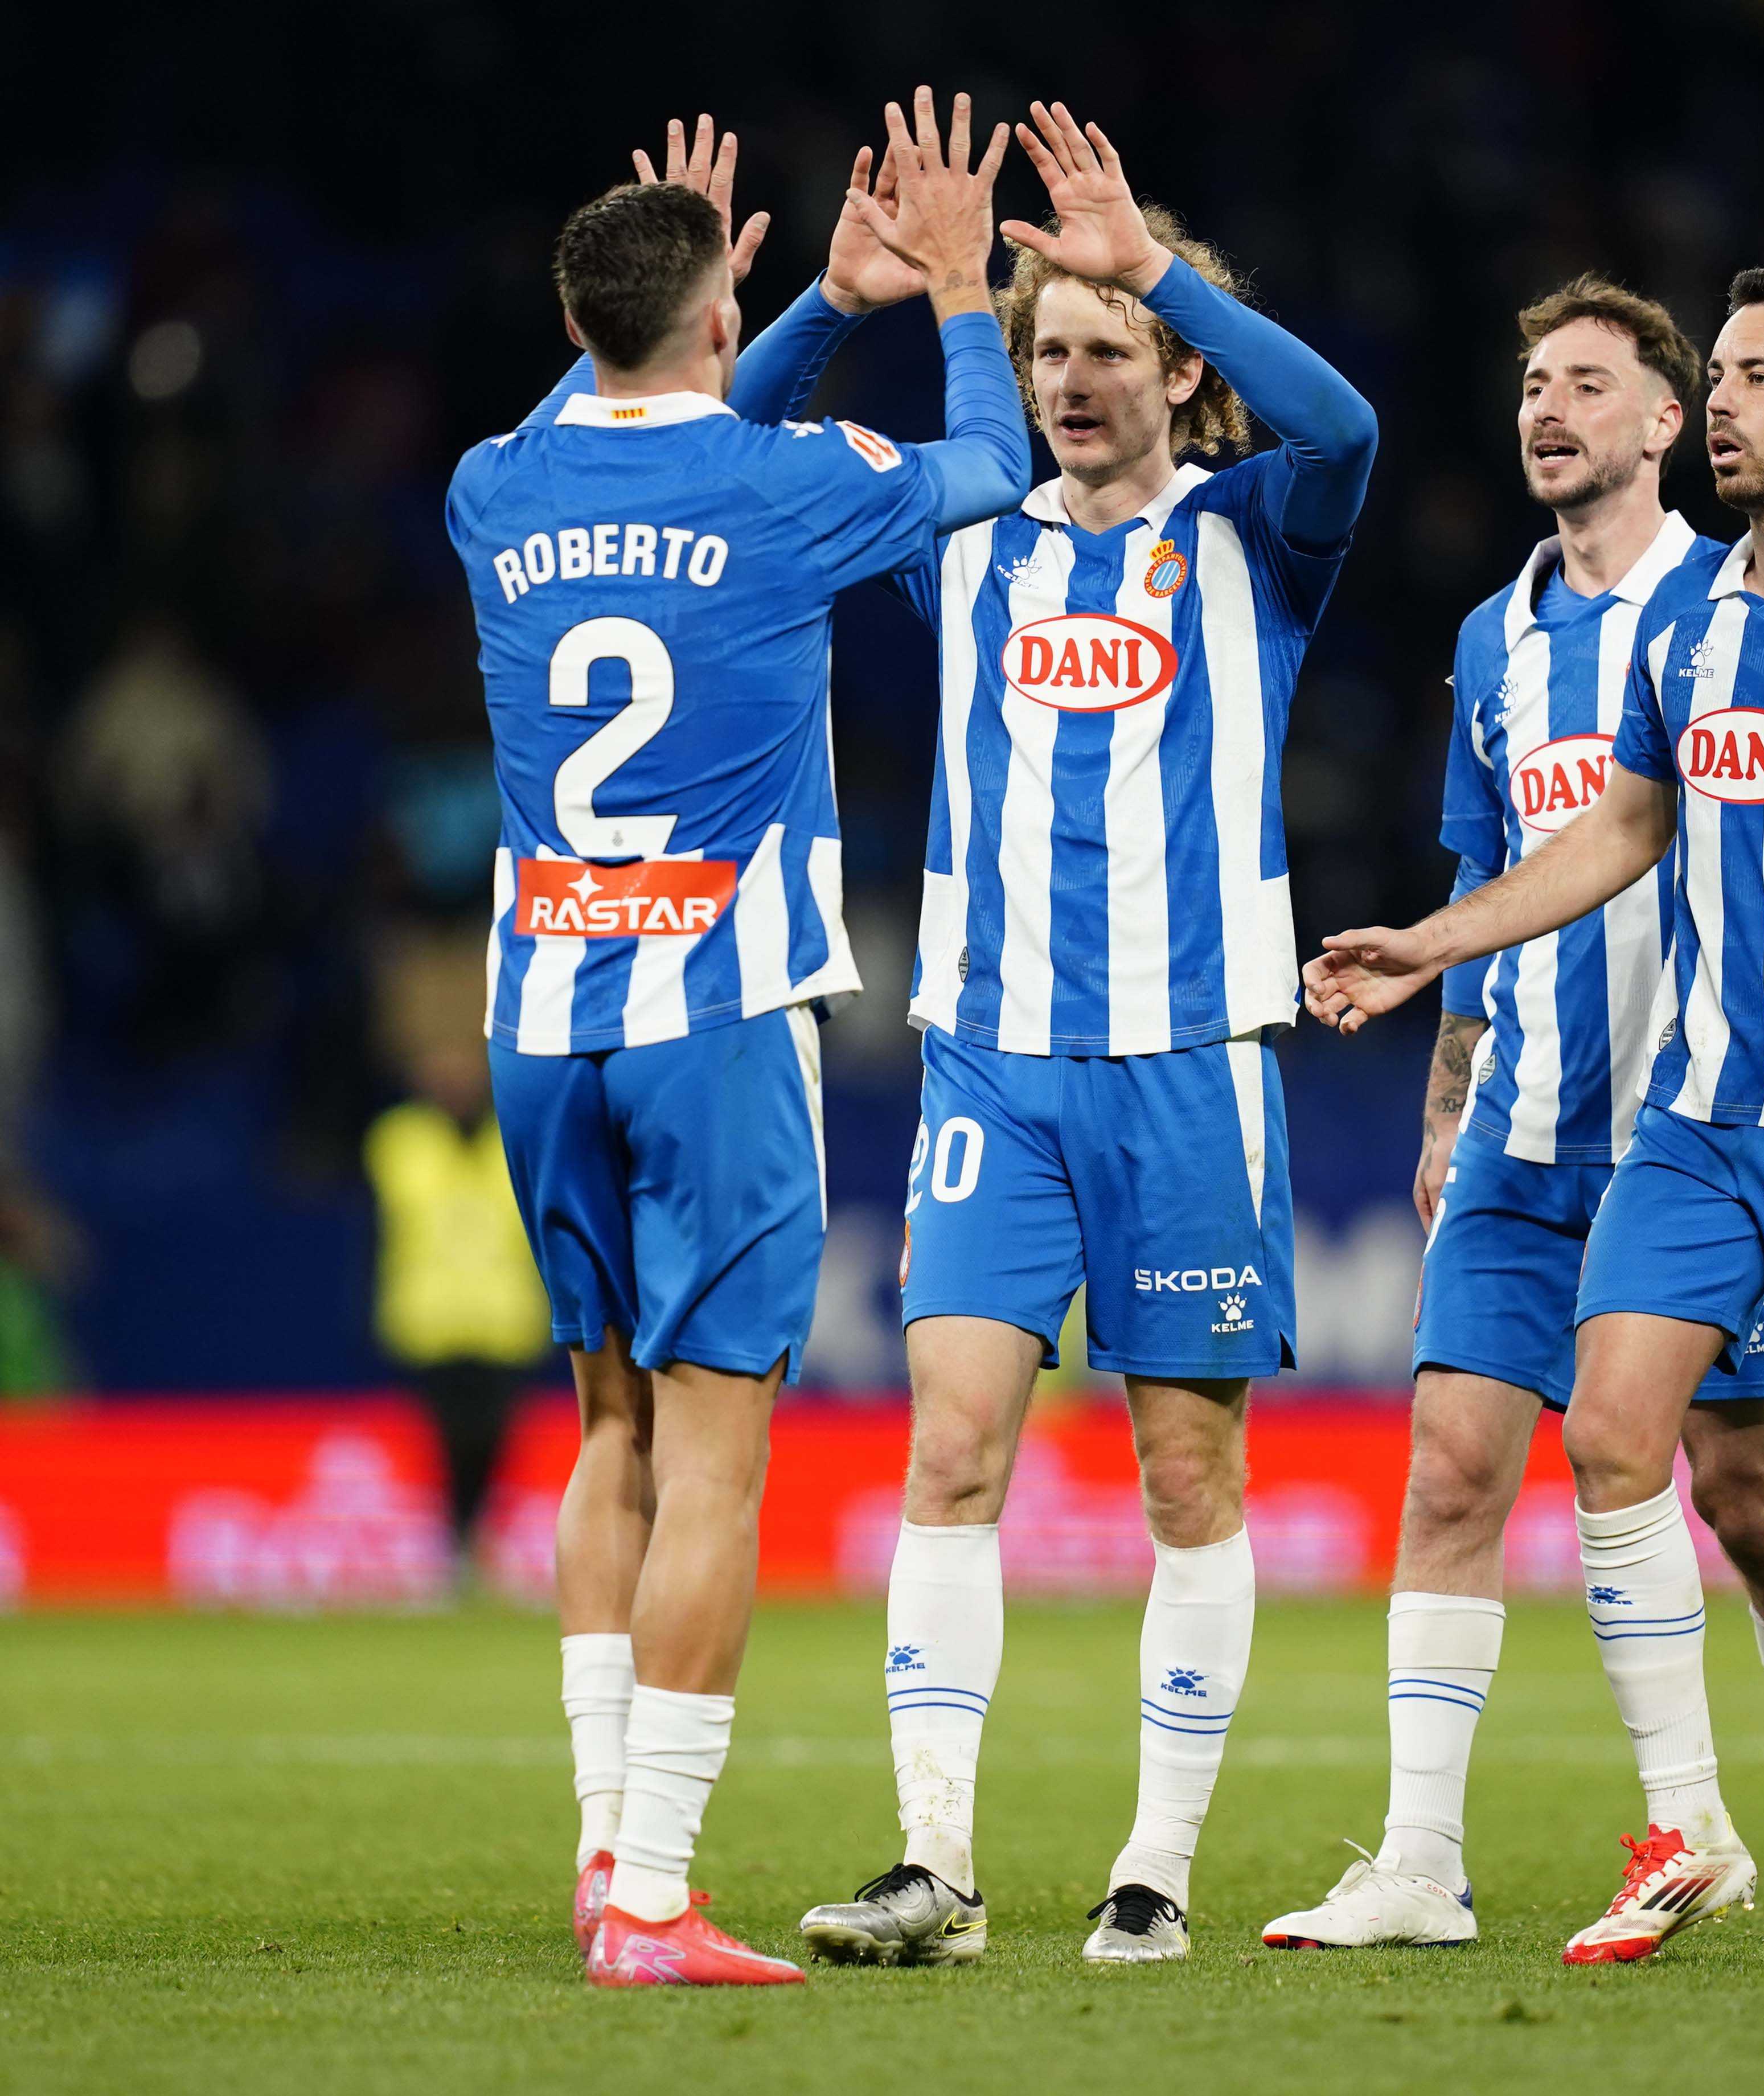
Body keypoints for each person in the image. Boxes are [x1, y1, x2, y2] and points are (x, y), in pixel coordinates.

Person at [1304, 268, 1764, 1967]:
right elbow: (1618, 829)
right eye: (1716, 373)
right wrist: (1433, 944)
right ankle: (1683, 1825)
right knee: (1605, 1434)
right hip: (1697, 1113)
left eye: (1757, 376)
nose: (1723, 401)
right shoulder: (1692, 620)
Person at [445, 94, 1031, 1987]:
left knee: (608, 1430)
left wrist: (773, 308)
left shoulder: (491, 487)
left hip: (541, 1015)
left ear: (572, 323)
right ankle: (653, 1902)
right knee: (713, 1459)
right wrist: (943, 286)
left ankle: (601, 1844)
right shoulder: (788, 490)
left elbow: (624, 414)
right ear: (716, 318)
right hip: (712, 1015)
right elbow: (991, 462)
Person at [793, 104, 1377, 1969]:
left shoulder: (1251, 533)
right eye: (1042, 347)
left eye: (1105, 345)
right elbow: (736, 455)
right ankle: (935, 1868)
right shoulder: (961, 530)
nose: (1065, 377)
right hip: (991, 1060)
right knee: (951, 1450)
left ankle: (1156, 1868)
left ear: (1177, 369)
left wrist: (1155, 268)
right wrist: (853, 305)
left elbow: (1349, 432)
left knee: (1185, 1476)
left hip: (1191, 1062)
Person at [1257, 278, 1764, 1955]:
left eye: (1588, 383)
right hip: (1520, 1126)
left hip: (1694, 1135)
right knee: (1452, 1470)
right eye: (1532, 382)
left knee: (1751, 1503)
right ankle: (1420, 1865)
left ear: (1666, 422)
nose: (1547, 407)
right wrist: (1445, 1099)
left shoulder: (1738, 610)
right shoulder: (1494, 637)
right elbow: (1486, 865)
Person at [364, 926, 548, 1562]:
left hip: (502, 1318)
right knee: (443, 1440)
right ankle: (455, 1543)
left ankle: (474, 1542)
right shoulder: (400, 1138)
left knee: (495, 1439)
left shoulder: (513, 1138)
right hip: (430, 1319)